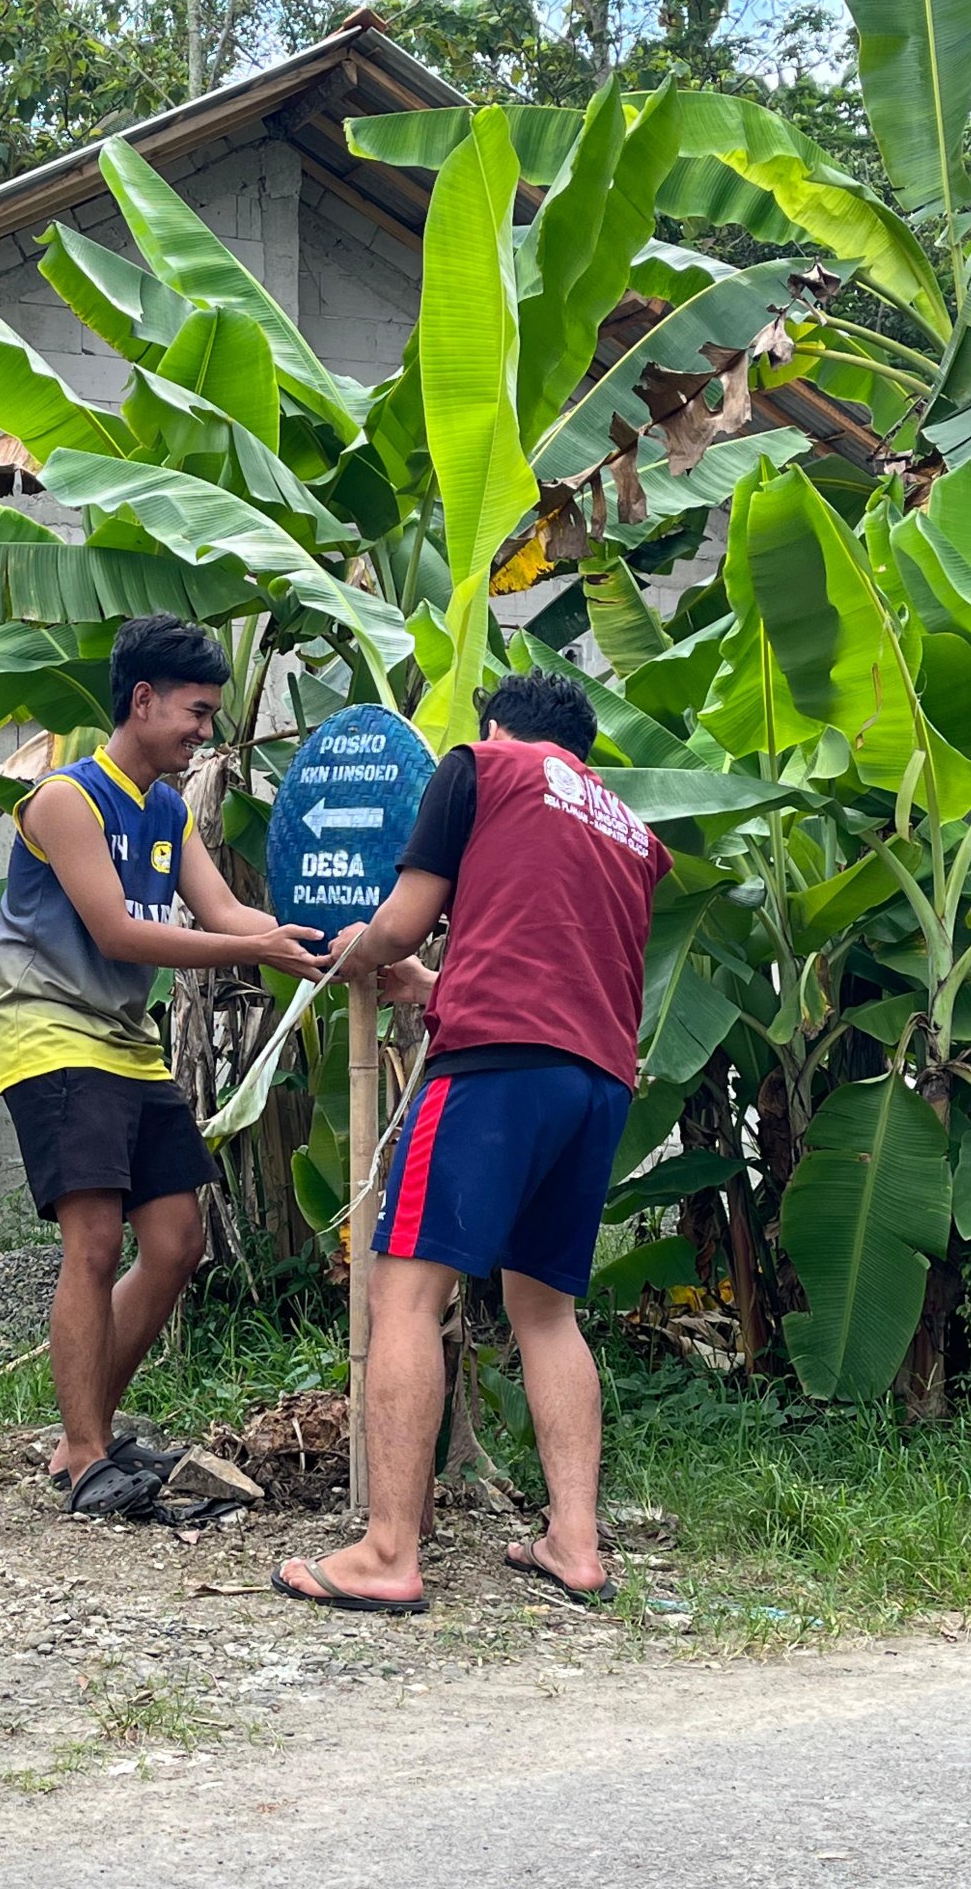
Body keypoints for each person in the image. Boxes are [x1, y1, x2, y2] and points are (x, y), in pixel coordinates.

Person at [273, 668, 672, 1612]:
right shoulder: (624, 826)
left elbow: (405, 919)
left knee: (406, 1293)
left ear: (499, 725)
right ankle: (575, 1542)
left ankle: (387, 1553)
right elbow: (558, 951)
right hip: (597, 1079)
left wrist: (359, 951)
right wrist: (435, 986)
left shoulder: (482, 766)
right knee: (545, 1311)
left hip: (495, 1068)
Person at [0, 614, 327, 1518]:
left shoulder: (169, 812)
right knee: (94, 1244)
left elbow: (225, 913)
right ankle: (88, 1453)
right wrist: (254, 955)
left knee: (175, 1243)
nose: (206, 733)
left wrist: (328, 945)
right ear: (141, 701)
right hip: (52, 1035)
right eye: (196, 712)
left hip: (126, 1047)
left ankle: (83, 1435)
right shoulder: (65, 800)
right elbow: (118, 930)